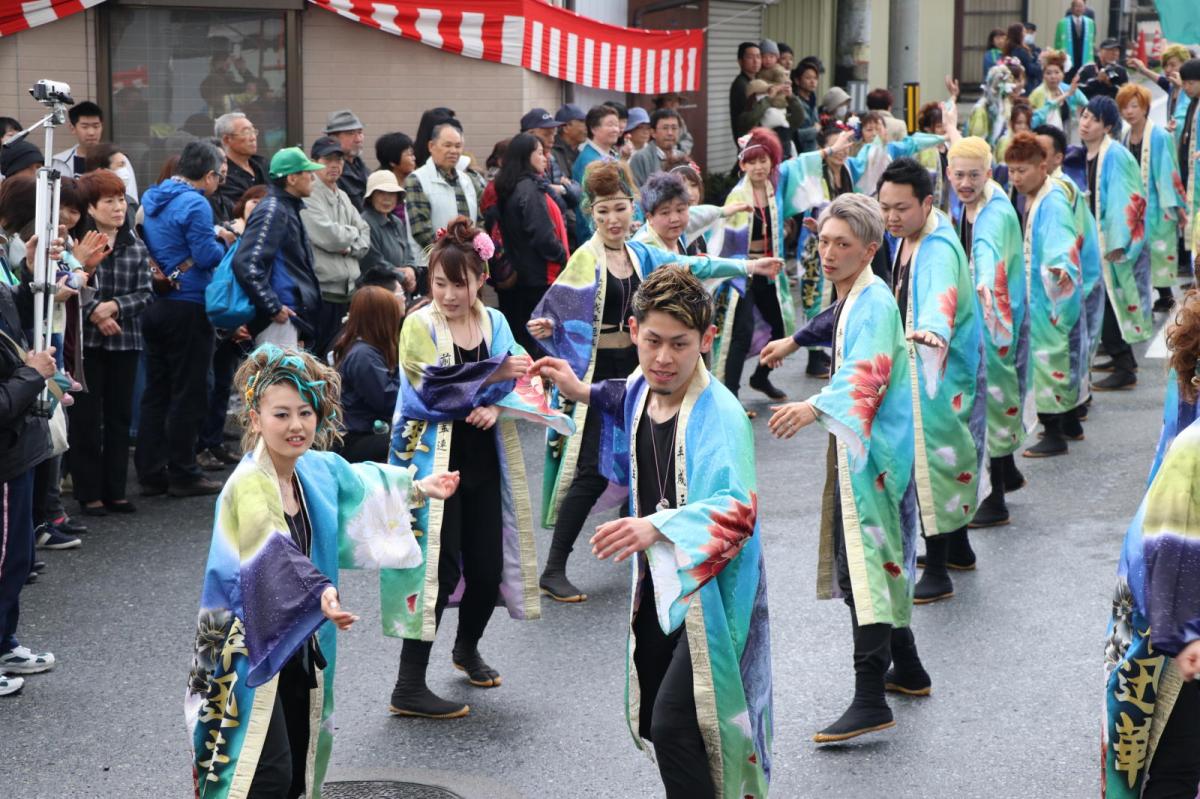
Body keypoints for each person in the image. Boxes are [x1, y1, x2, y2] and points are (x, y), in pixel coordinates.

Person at [530, 266, 772, 798]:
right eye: (653, 340)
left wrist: (656, 526)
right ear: (634, 330)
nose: (663, 358)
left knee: (677, 721)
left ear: (707, 341)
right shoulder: (645, 387)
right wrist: (580, 389)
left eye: (680, 345)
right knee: (671, 727)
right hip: (662, 584)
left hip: (711, 593)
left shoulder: (721, 415)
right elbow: (623, 393)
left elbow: (737, 511)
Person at [187, 343, 457, 798]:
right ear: (255, 419)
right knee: (259, 773)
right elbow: (270, 550)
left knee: (298, 766)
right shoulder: (249, 483)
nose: (296, 425)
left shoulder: (315, 469)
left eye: (305, 413)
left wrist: (417, 488)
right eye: (281, 414)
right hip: (246, 648)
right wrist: (320, 594)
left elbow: (363, 482)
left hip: (302, 636)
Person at [529, 162, 781, 603]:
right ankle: (553, 567)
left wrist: (749, 265)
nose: (613, 219)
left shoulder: (641, 253)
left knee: (649, 458)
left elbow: (690, 265)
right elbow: (554, 309)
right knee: (591, 471)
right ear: (593, 214)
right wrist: (549, 325)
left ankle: (652, 550)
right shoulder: (585, 258)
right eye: (604, 211)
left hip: (642, 370)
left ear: (633, 211)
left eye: (621, 209)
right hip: (599, 376)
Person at [382, 217, 574, 719]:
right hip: (430, 462)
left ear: (480, 279)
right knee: (435, 572)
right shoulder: (417, 325)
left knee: (488, 568)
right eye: (438, 283)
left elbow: (523, 378)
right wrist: (493, 377)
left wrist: (497, 405)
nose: (447, 294)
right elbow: (426, 392)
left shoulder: (494, 322)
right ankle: (407, 685)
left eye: (459, 283)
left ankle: (466, 648)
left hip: (483, 458)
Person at [760, 192, 930, 743]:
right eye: (823, 242)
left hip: (875, 455)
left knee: (867, 563)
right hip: (868, 449)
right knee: (875, 559)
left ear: (870, 249)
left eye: (842, 245)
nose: (828, 254)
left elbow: (868, 376)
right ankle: (906, 667)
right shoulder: (858, 294)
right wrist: (793, 340)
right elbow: (833, 320)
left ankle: (869, 697)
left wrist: (812, 406)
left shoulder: (875, 302)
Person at [1102, 294, 1200, 797]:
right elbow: (1170, 543)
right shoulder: (1193, 450)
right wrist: (1184, 635)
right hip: (1180, 616)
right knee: (1175, 763)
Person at [876, 157, 985, 603]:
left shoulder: (936, 247)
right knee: (947, 456)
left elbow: (940, 300)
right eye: (885, 207)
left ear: (926, 202)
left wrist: (933, 331)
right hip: (928, 363)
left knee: (932, 463)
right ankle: (958, 547)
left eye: (901, 208)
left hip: (936, 366)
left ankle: (938, 567)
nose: (891, 217)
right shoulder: (911, 234)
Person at [135, 140, 234, 498]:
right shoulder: (196, 202)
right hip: (189, 302)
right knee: (190, 390)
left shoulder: (152, 196)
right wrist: (223, 239)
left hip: (156, 301)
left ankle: (150, 471)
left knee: (156, 390)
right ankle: (183, 470)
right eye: (218, 177)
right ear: (207, 175)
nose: (218, 183)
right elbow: (207, 256)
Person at [945, 137, 1029, 528]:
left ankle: (995, 499)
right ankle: (1007, 470)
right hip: (994, 311)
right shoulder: (980, 199)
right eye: (958, 175)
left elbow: (987, 252)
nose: (965, 182)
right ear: (948, 173)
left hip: (994, 314)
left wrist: (981, 286)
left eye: (973, 175)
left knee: (990, 403)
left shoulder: (991, 214)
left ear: (988, 174)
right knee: (998, 397)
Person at [68, 169, 153, 516]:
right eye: (109, 201)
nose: (119, 207)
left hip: (126, 341)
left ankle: (116, 489)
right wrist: (95, 313)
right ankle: (88, 492)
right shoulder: (79, 245)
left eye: (121, 200)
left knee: (119, 417)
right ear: (91, 207)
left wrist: (114, 307)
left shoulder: (135, 245)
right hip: (86, 344)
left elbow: (145, 293)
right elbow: (68, 282)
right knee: (87, 418)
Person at [1005, 131, 1092, 457]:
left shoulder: (1052, 200)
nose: (1016, 177)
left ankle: (1053, 431)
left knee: (1049, 359)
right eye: (1011, 170)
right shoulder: (1035, 195)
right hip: (1042, 295)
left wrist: (1057, 271)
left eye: (1022, 170)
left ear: (1043, 166)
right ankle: (1071, 422)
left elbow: (1060, 245)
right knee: (1060, 358)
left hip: (1050, 296)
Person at [1079, 96, 1150, 391]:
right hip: (1096, 243)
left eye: (1093, 119)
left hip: (1112, 244)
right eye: (1083, 116)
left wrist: (1118, 244)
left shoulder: (1115, 156)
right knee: (1107, 303)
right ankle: (1123, 360)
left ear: (1107, 126)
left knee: (1110, 304)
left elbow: (1126, 199)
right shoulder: (1088, 153)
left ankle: (1124, 365)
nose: (1085, 123)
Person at [195, 186, 264, 472]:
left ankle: (214, 442)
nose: (258, 206)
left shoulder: (261, 236)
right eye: (254, 201)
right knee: (209, 383)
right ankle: (201, 446)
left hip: (244, 319)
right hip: (223, 317)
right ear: (243, 205)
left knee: (224, 382)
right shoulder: (228, 233)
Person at [233, 147, 326, 350]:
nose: (313, 177)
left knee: (285, 379)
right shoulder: (273, 210)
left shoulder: (284, 207)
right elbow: (246, 263)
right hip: (280, 318)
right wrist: (273, 306)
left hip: (289, 316)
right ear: (291, 178)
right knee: (277, 379)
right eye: (307, 172)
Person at [492, 133, 568, 356]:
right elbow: (542, 236)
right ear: (526, 156)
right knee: (542, 341)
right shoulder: (530, 189)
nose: (545, 158)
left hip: (521, 276)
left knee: (523, 339)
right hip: (540, 275)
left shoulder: (510, 186)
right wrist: (562, 255)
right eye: (539, 152)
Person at [1116, 83, 1185, 314]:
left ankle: (1165, 294)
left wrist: (1175, 206)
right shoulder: (1125, 136)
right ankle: (1155, 294)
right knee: (1139, 250)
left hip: (1157, 202)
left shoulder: (1159, 135)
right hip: (1135, 204)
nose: (1129, 112)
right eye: (1125, 107)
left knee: (1159, 247)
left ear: (1145, 107)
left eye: (1134, 106)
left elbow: (1167, 171)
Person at [299, 137, 371, 358]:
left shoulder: (343, 194)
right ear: (314, 162)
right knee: (319, 354)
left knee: (339, 353)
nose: (334, 165)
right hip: (323, 292)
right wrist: (351, 234)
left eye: (339, 160)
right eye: (328, 159)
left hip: (348, 291)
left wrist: (349, 247)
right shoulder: (309, 193)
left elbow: (366, 234)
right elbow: (329, 236)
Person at [332, 286, 403, 463]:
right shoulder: (363, 356)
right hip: (355, 439)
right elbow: (388, 401)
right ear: (382, 319)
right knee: (410, 443)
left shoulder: (362, 349)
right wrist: (409, 365)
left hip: (364, 434)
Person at [405, 121, 486, 264]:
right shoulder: (416, 179)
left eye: (458, 146)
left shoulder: (468, 180)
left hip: (468, 264)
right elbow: (421, 231)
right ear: (431, 146)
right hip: (431, 266)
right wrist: (450, 258)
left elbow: (479, 221)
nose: (454, 151)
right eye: (447, 145)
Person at [519, 107, 580, 239]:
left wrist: (562, 189)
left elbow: (576, 192)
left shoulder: (551, 158)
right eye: (546, 134)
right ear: (529, 134)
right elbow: (554, 200)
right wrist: (559, 189)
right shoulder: (521, 164)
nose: (552, 139)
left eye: (554, 134)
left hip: (561, 229)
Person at [360, 170, 419, 300]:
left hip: (401, 293)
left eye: (391, 194)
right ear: (371, 197)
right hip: (377, 294)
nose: (387, 198)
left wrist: (411, 269)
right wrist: (403, 277)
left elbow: (409, 252)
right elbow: (373, 262)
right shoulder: (365, 222)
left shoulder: (397, 222)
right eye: (381, 193)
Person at [571, 105, 623, 242]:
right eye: (610, 125)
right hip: (597, 235)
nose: (616, 129)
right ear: (594, 129)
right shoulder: (588, 161)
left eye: (617, 125)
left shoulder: (612, 155)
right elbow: (586, 204)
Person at [1173, 60, 1200, 280]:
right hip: (1191, 173)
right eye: (1185, 83)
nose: (1187, 87)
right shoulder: (1193, 102)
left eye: (1191, 83)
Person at [215, 112, 267, 215]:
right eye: (246, 132)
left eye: (253, 131)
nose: (253, 138)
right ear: (226, 139)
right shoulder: (223, 175)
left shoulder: (263, 164)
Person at [1029, 49, 1086, 143]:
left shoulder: (1066, 88)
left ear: (1063, 74)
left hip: (1066, 136)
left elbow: (1086, 104)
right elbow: (1034, 119)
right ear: (1043, 75)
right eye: (1048, 73)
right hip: (1042, 139)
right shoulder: (1038, 93)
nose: (1053, 77)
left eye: (1057, 72)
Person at [1127, 44, 1191, 121]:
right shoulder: (1172, 87)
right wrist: (1143, 70)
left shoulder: (1192, 90)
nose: (1167, 70)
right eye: (1165, 65)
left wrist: (1181, 88)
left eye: (1172, 65)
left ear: (1185, 65)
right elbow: (1161, 81)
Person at [325, 109, 369, 211]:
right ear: (333, 137)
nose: (358, 139)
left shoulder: (362, 168)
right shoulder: (330, 172)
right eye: (350, 133)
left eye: (360, 132)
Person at [629, 108, 683, 187]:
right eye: (665, 128)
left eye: (674, 128)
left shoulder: (682, 156)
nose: (670, 133)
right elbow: (636, 192)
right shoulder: (640, 158)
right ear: (653, 132)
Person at [52, 100, 104, 179]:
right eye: (85, 127)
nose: (91, 132)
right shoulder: (59, 162)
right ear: (72, 128)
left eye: (96, 126)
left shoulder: (117, 160)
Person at [1055, 0, 1096, 81]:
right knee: (1068, 80)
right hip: (1069, 58)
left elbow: (1092, 41)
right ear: (1072, 8)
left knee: (1084, 80)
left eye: (1081, 6)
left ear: (1084, 8)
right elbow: (1058, 42)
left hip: (1084, 57)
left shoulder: (1090, 22)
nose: (1079, 8)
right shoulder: (1062, 22)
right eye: (1077, 6)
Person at [730, 42, 762, 142]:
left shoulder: (755, 81)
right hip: (748, 140)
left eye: (758, 56)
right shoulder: (742, 85)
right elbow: (749, 117)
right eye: (750, 57)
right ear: (740, 61)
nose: (755, 61)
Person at [789, 60, 821, 153]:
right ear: (797, 80)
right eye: (808, 78)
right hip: (798, 153)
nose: (812, 81)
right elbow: (794, 134)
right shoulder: (793, 102)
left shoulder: (813, 100)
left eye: (815, 78)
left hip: (813, 152)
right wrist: (815, 130)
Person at [551, 103, 588, 183]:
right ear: (566, 127)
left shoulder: (580, 154)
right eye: (582, 122)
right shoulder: (552, 153)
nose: (587, 127)